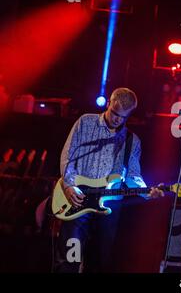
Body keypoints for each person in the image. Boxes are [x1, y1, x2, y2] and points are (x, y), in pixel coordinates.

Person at [53, 87, 163, 273]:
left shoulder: (131, 140)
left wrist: (147, 192)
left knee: (98, 262)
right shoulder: (85, 123)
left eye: (123, 117)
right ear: (109, 103)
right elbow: (67, 156)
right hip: (76, 201)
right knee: (68, 261)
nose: (117, 120)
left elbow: (133, 175)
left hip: (109, 208)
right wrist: (69, 185)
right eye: (114, 113)